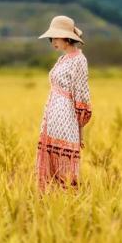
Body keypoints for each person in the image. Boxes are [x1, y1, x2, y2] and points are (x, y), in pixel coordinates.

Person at [35, 15, 92, 192]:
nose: (53, 41)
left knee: (64, 170)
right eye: (51, 38)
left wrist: (80, 128)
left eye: (56, 37)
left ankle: (68, 205)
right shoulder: (63, 59)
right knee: (51, 166)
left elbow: (82, 94)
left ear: (68, 38)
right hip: (52, 118)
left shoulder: (79, 60)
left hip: (66, 119)